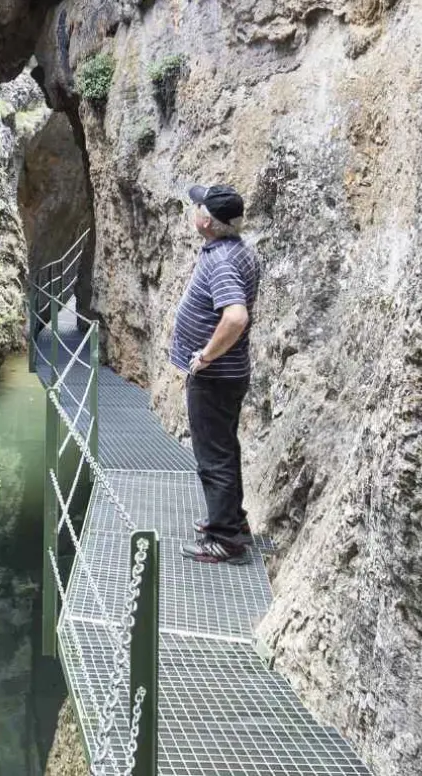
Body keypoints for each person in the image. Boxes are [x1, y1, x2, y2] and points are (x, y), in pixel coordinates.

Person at [169, 183, 261, 565]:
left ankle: (226, 542)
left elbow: (236, 316)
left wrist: (205, 357)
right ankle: (231, 522)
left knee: (213, 457)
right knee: (224, 448)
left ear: (206, 221)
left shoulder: (221, 261)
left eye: (198, 207)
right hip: (228, 374)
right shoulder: (237, 250)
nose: (194, 210)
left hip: (216, 377)